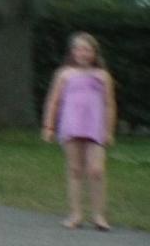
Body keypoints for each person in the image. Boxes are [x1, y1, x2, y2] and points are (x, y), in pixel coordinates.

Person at [41, 31, 117, 231]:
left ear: (94, 53)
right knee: (75, 170)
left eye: (87, 50)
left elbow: (109, 104)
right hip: (72, 125)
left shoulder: (102, 76)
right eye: (79, 49)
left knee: (96, 170)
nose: (83, 53)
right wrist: (49, 126)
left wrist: (109, 130)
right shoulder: (64, 74)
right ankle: (76, 214)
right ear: (73, 52)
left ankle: (99, 215)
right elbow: (53, 101)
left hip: (95, 127)